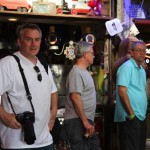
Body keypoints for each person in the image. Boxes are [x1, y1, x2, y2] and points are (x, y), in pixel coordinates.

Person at [0, 23, 58, 150]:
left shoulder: (42, 63)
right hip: (16, 143)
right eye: (28, 39)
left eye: (37, 40)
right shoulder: (7, 64)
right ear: (19, 42)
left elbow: (53, 91)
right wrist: (4, 115)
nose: (34, 44)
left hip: (45, 141)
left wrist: (53, 114)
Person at [64, 41, 101, 150]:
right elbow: (75, 97)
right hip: (77, 121)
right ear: (85, 54)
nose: (94, 55)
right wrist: (85, 122)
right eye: (92, 53)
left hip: (85, 121)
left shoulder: (84, 71)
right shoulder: (76, 72)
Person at [114, 41, 148, 150]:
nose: (142, 53)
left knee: (139, 146)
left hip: (141, 116)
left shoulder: (142, 70)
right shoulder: (126, 67)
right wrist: (131, 114)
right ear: (131, 52)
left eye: (144, 50)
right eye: (138, 50)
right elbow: (122, 92)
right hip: (130, 117)